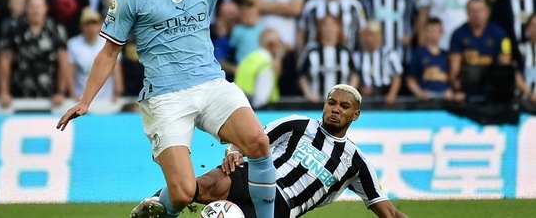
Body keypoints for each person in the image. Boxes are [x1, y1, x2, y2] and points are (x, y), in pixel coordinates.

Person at [56, 0, 279, 218]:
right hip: (165, 98)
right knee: (183, 193)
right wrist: (85, 100)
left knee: (259, 143)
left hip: (211, 84)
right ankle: (151, 208)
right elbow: (109, 52)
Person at [130, 84, 408, 218]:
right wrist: (233, 151)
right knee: (205, 185)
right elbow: (251, 138)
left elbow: (388, 211)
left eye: (343, 107)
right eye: (331, 102)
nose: (335, 109)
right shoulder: (297, 124)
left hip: (281, 206)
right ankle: (153, 207)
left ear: (355, 115)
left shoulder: (356, 162)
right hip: (253, 176)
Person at [298, 16, 358, 103]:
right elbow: (301, 76)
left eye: (332, 26)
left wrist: (350, 93)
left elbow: (355, 75)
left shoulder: (345, 51)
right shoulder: (311, 51)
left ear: (339, 29)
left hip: (340, 104)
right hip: (316, 103)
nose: (329, 29)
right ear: (319, 29)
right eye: (325, 26)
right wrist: (309, 94)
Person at [234, 28, 285, 109]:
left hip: (239, 106)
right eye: (279, 41)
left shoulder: (249, 58)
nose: (281, 45)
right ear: (271, 44)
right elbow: (261, 100)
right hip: (257, 112)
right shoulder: (266, 64)